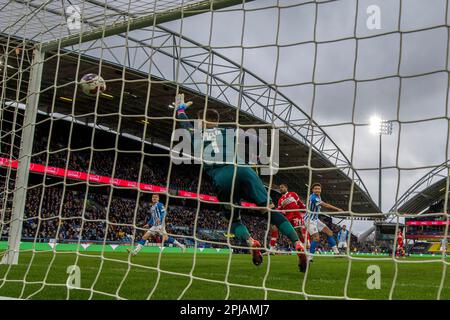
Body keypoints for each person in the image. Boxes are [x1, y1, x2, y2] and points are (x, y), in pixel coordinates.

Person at [175, 93, 307, 271]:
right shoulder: (229, 131)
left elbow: (184, 125)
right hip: (244, 170)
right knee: (269, 210)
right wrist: (258, 157)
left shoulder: (197, 134)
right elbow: (256, 139)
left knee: (234, 220)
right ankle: (297, 243)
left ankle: (250, 241)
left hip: (222, 177)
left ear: (200, 121)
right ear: (217, 120)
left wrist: (181, 109)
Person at [306, 183, 343, 262]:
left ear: (320, 190)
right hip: (310, 220)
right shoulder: (313, 197)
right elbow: (325, 205)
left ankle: (336, 253)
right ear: (312, 190)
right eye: (315, 189)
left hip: (316, 219)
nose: (317, 190)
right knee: (316, 238)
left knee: (329, 233)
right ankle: (309, 257)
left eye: (318, 189)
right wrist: (337, 209)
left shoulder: (318, 197)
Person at [270, 184, 310, 253]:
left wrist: (306, 210)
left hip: (296, 216)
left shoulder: (293, 194)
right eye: (280, 188)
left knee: (299, 234)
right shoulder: (280, 200)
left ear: (286, 188)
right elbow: (279, 210)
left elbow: (300, 203)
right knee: (274, 227)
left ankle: (306, 251)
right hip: (288, 218)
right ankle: (271, 248)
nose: (281, 189)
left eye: (282, 187)